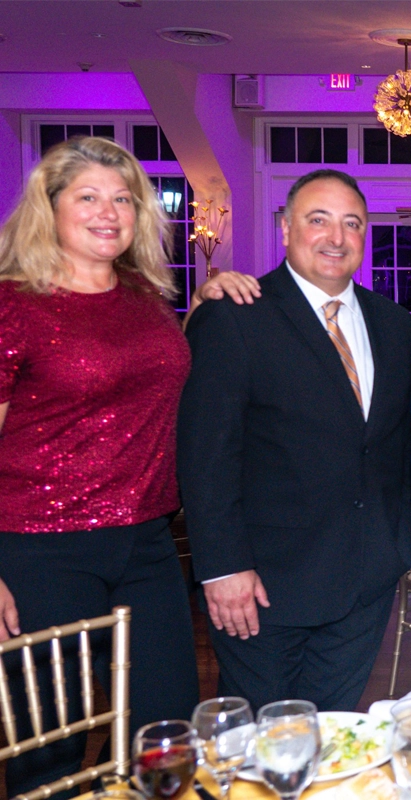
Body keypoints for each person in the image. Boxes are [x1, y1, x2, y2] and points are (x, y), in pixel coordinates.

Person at [0, 136, 198, 797]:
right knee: (49, 747)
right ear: (48, 207)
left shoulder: (147, 294)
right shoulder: (12, 304)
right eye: (88, 197)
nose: (109, 211)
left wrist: (214, 296)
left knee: (166, 734)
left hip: (147, 541)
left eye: (123, 199)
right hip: (41, 551)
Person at [177, 168, 411, 711]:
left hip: (365, 584)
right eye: (318, 220)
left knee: (333, 737)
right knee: (255, 751)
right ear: (286, 228)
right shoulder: (234, 316)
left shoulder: (395, 325)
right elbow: (205, 455)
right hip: (262, 588)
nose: (336, 237)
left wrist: (400, 544)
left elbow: (395, 442)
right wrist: (221, 566)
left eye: (351, 223)